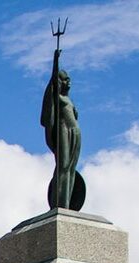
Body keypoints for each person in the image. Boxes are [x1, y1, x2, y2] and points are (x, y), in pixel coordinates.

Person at [41, 50, 81, 210]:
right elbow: (52, 83)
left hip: (75, 132)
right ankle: (59, 202)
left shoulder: (69, 99)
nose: (68, 82)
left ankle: (67, 203)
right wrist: (55, 61)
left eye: (68, 79)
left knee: (71, 168)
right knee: (63, 166)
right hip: (63, 130)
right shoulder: (56, 97)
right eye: (64, 79)